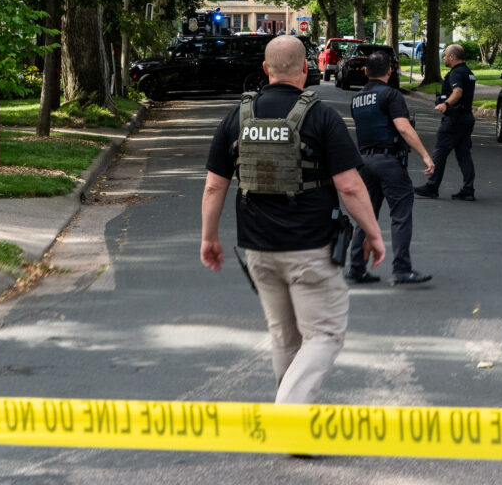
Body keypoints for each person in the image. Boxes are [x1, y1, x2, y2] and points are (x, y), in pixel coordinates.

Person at [201, 35, 386, 405]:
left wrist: (209, 238)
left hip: (257, 250)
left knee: (285, 337)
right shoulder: (320, 115)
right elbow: (350, 186)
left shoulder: (238, 116)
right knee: (325, 335)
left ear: (265, 69)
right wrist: (373, 233)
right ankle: (289, 414)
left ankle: (294, 426)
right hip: (310, 249)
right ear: (306, 68)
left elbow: (213, 187)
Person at [345, 51, 435, 286]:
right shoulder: (391, 95)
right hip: (388, 161)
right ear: (389, 71)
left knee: (366, 216)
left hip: (363, 162)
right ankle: (402, 269)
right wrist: (425, 155)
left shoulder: (357, 99)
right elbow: (403, 128)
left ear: (365, 72)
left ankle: (356, 268)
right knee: (401, 214)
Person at [414, 44, 476, 201]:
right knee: (463, 154)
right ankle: (468, 189)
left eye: (446, 55)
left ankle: (432, 187)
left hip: (454, 119)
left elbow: (458, 92)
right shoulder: (469, 73)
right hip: (467, 118)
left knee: (440, 152)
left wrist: (446, 104)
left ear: (452, 57)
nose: (444, 58)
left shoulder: (456, 73)